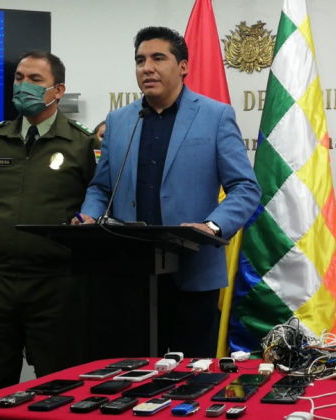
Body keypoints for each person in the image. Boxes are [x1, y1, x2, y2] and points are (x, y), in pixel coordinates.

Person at [73, 27, 261, 358]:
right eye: (140, 60)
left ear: (183, 66)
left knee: (192, 383)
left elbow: (245, 187)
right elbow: (102, 186)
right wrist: (88, 215)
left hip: (193, 270)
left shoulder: (215, 116)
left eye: (159, 58)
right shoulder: (119, 121)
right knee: (133, 378)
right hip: (131, 273)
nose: (147, 68)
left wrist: (212, 227)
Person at [0, 50, 99, 397]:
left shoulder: (82, 143)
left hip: (57, 285)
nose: (23, 85)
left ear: (58, 90)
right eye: (19, 78)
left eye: (35, 80)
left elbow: (96, 203)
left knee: (61, 389)